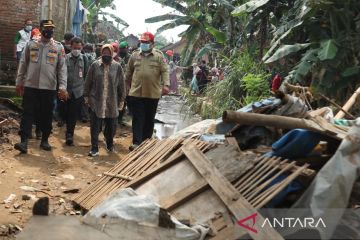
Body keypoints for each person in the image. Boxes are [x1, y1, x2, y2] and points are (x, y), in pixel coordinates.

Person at [14, 20, 68, 154]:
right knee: (27, 113)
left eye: (51, 29)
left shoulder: (58, 47)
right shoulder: (31, 44)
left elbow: (62, 69)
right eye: (47, 28)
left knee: (46, 115)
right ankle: (24, 142)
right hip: (31, 85)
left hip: (48, 87)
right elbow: (23, 63)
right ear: (41, 29)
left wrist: (62, 87)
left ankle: (45, 140)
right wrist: (19, 82)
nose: (49, 31)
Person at [125, 32, 170, 151]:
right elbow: (128, 72)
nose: (143, 44)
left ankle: (146, 142)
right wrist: (126, 86)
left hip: (152, 93)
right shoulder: (134, 55)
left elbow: (165, 71)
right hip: (136, 93)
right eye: (142, 42)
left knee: (149, 119)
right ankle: (136, 143)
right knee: (138, 118)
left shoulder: (159, 56)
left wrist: (166, 85)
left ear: (152, 44)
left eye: (146, 42)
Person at [84, 44, 126, 157]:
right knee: (95, 126)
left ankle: (110, 144)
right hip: (96, 101)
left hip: (112, 101)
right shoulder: (94, 65)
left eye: (108, 53)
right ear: (101, 53)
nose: (106, 55)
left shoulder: (117, 67)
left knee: (111, 126)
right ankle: (94, 148)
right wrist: (86, 97)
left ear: (112, 54)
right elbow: (88, 82)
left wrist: (122, 100)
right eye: (104, 53)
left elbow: (122, 84)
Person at [63, 37, 88, 146]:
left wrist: (86, 92)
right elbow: (60, 73)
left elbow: (86, 76)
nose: (76, 50)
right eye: (74, 48)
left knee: (73, 114)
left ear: (81, 47)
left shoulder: (85, 59)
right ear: (70, 47)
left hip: (78, 91)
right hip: (65, 91)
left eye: (78, 48)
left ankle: (69, 134)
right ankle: (66, 128)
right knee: (64, 112)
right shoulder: (65, 58)